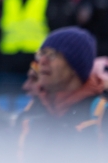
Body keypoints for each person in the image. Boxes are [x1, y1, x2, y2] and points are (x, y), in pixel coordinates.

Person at [15, 27, 107, 162]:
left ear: (75, 67)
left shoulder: (101, 115)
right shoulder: (30, 113)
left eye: (51, 55)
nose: (42, 61)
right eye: (41, 54)